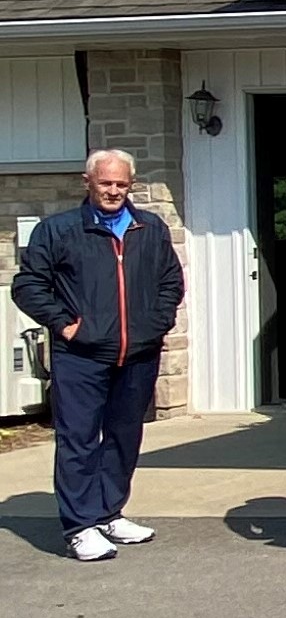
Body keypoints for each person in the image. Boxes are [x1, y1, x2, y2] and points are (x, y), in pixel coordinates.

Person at [12, 149, 184, 562]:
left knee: (125, 436)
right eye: (105, 183)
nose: (113, 191)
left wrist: (154, 325)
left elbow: (170, 282)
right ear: (87, 182)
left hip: (138, 354)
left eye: (121, 184)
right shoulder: (59, 230)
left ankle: (109, 512)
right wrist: (68, 325)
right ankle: (80, 526)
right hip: (81, 356)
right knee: (79, 439)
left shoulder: (151, 227)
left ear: (131, 185)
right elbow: (29, 286)